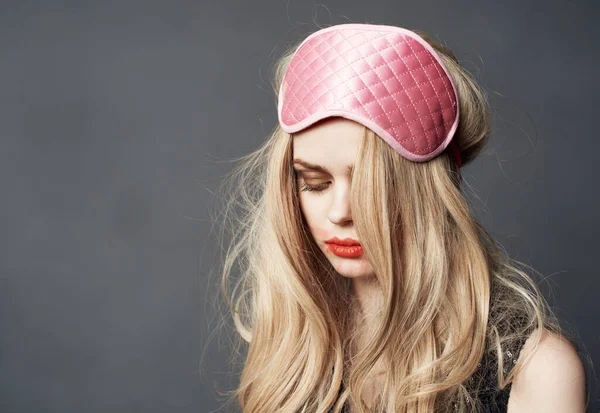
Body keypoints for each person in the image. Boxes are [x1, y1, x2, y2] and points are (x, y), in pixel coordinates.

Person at [213, 23, 587, 413]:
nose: (340, 213)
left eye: (370, 188)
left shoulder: (537, 372)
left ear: (428, 194)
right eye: (315, 183)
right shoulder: (295, 353)